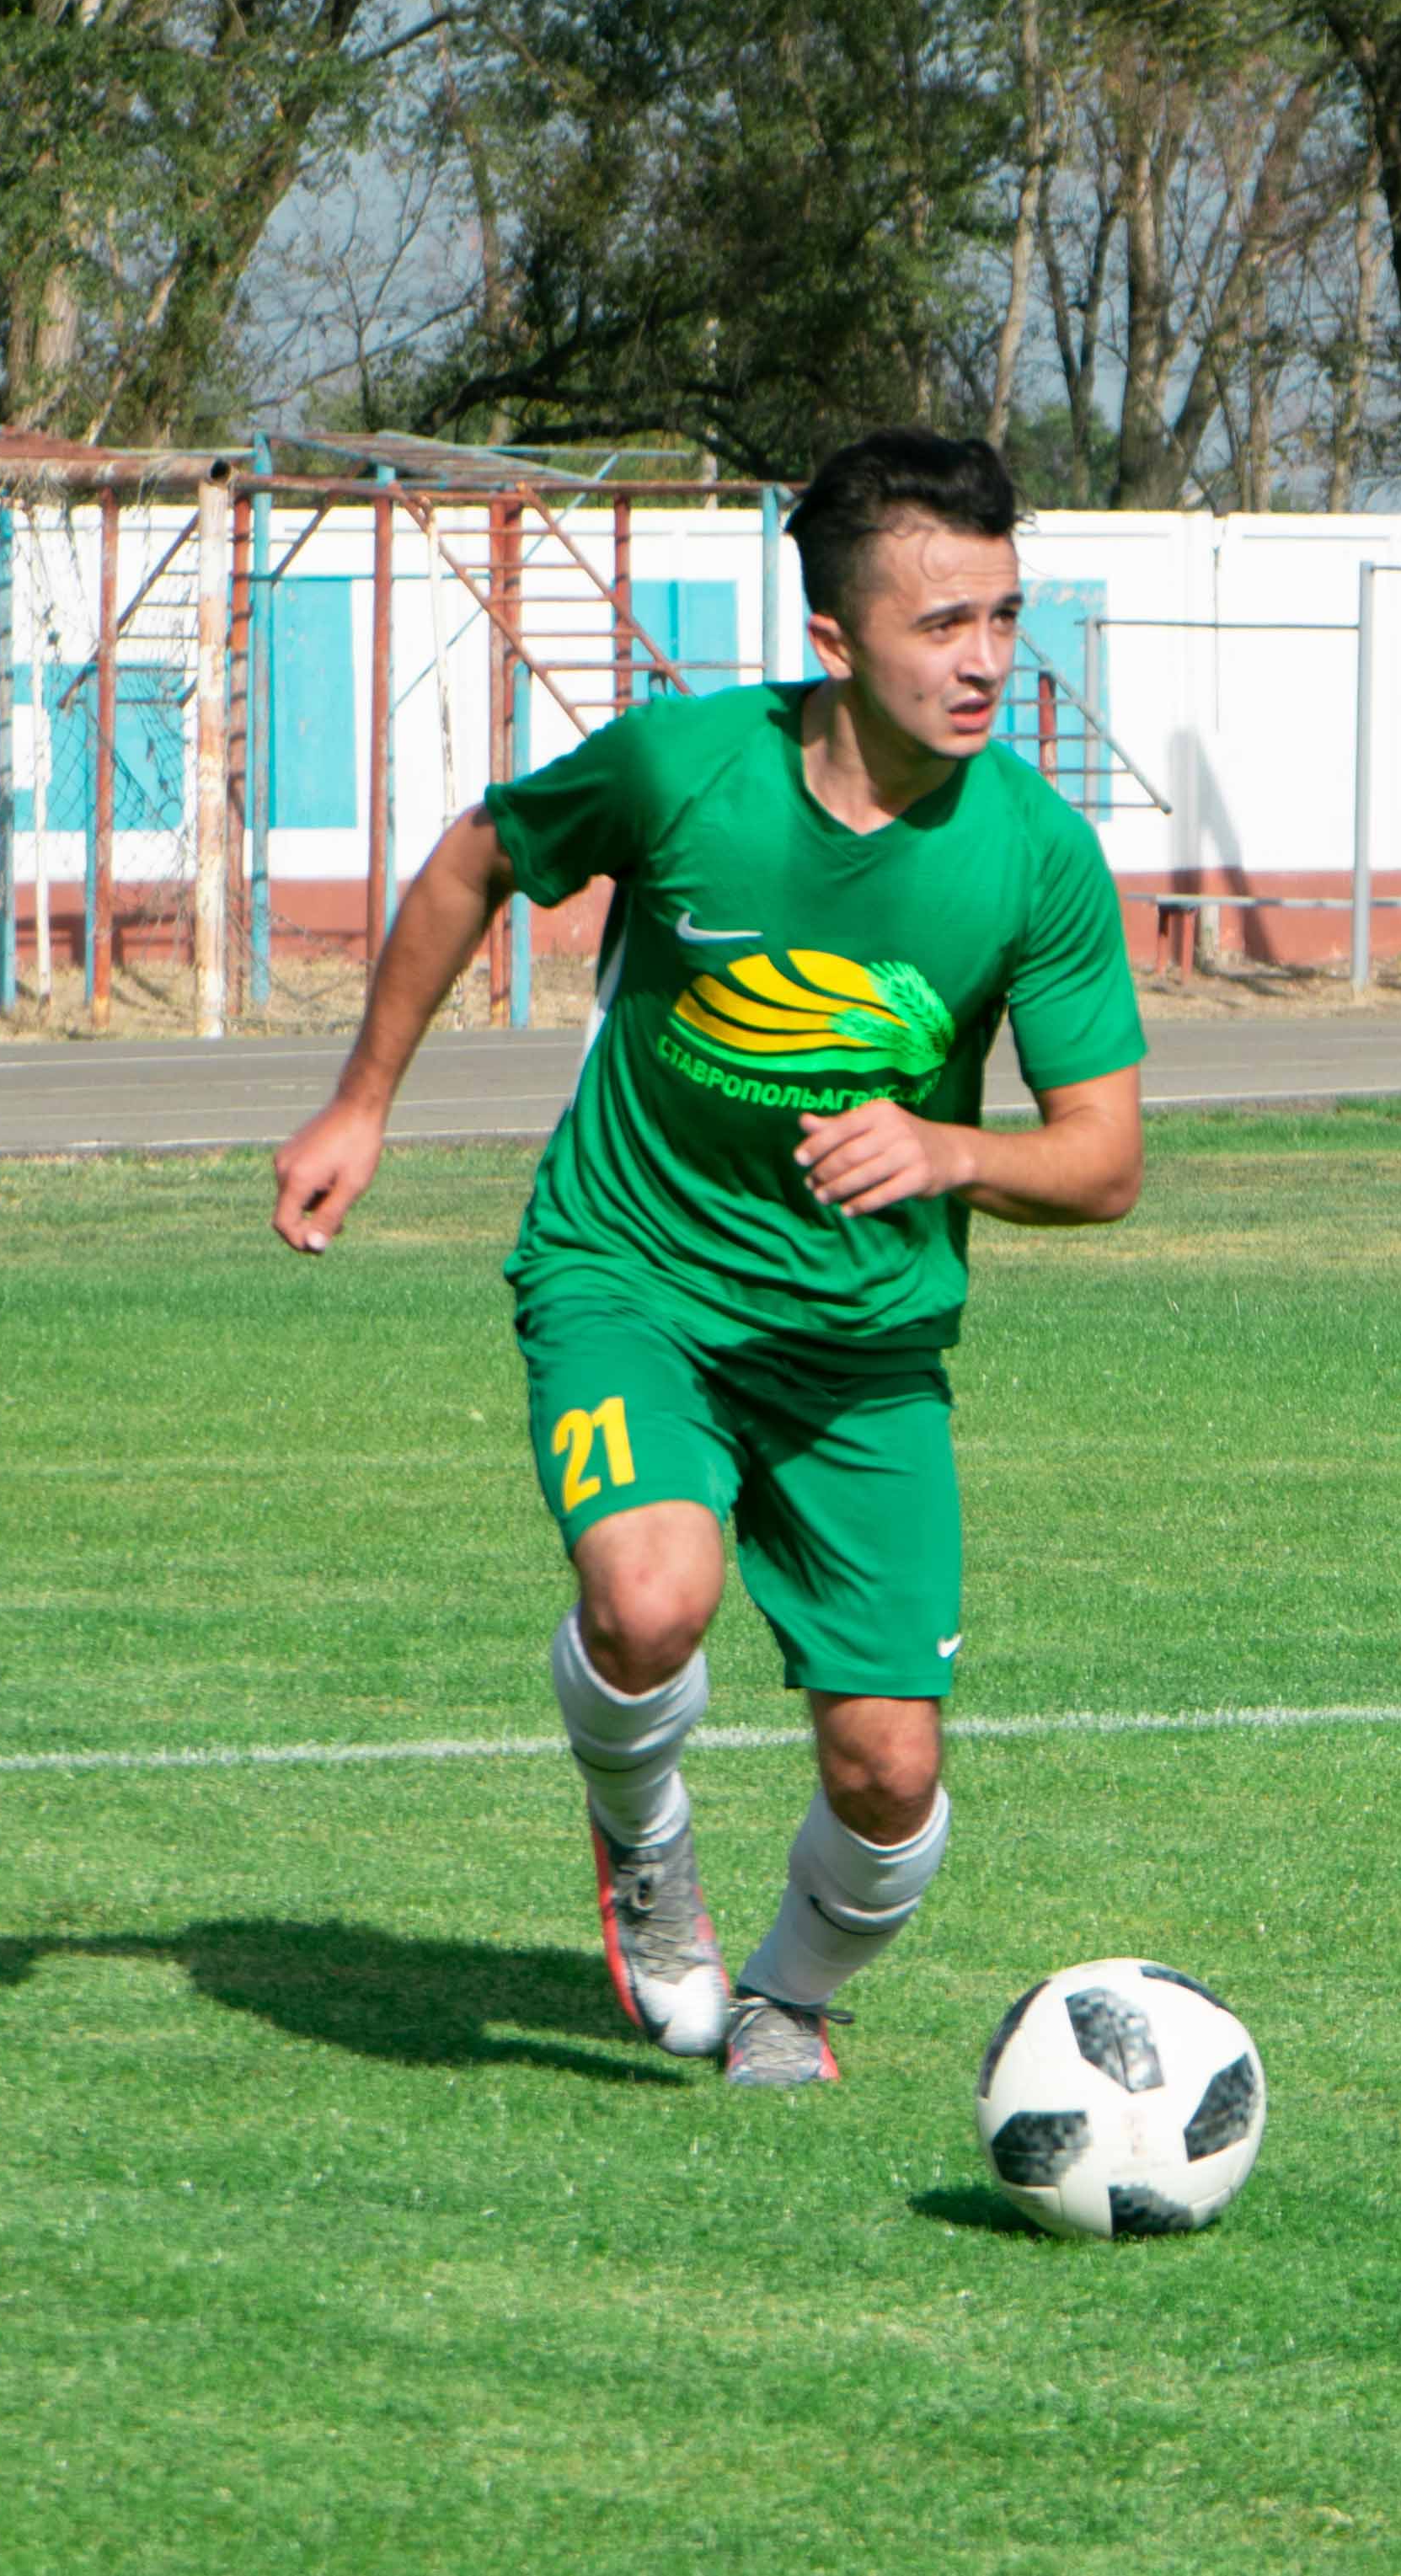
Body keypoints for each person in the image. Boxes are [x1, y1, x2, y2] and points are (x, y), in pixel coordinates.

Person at [269, 430, 1145, 2084]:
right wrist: (361, 1101)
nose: (984, 662)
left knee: (887, 1770)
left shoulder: (1034, 851)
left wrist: (953, 1148)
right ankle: (643, 1841)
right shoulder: (685, 769)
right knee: (651, 1595)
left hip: (862, 1352)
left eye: (1005, 617)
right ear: (834, 640)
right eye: (942, 622)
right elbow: (475, 857)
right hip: (632, 1277)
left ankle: (785, 1994)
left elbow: (1106, 1159)